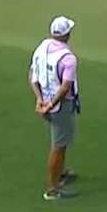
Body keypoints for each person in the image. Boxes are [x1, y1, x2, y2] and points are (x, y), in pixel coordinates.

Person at [28, 16, 81, 201]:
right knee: (58, 146)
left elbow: (32, 75)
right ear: (67, 35)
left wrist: (40, 100)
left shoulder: (41, 48)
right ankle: (52, 189)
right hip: (60, 105)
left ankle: (61, 173)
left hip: (46, 102)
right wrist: (51, 103)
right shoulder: (68, 58)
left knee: (61, 142)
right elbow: (66, 86)